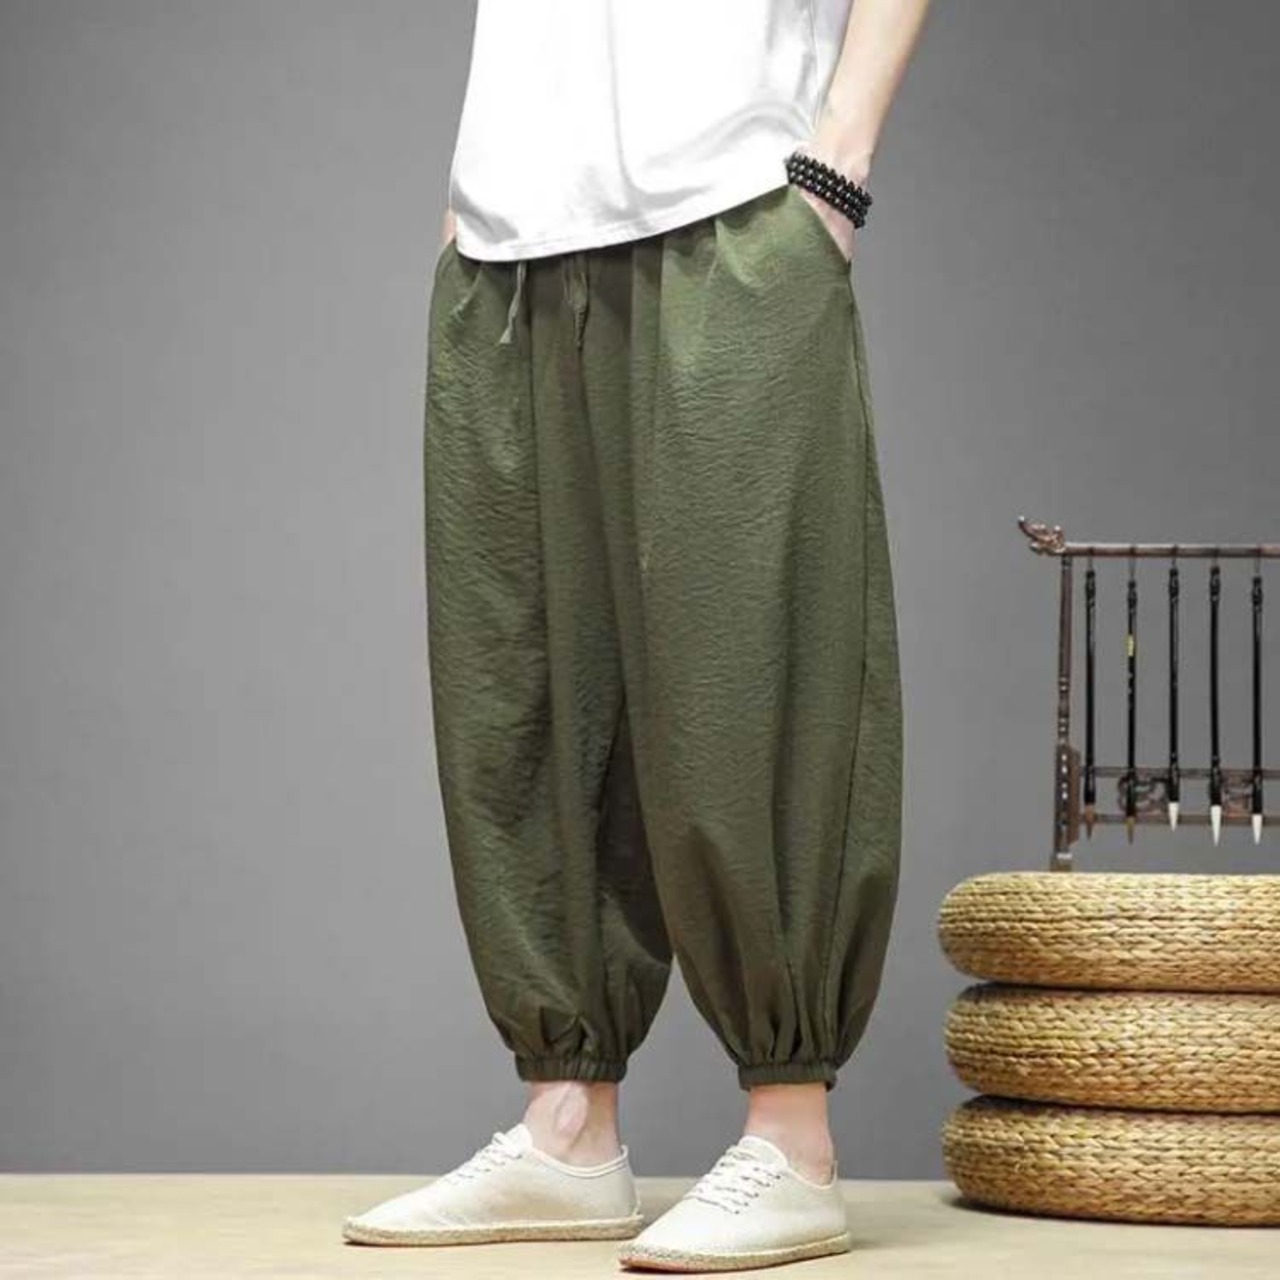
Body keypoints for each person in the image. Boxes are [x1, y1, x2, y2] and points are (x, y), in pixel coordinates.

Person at [344, 0, 930, 1270]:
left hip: (734, 199)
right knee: (524, 682)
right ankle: (566, 1126)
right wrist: (473, 187)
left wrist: (839, 156)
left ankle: (791, 1133)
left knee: (747, 666)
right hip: (511, 233)